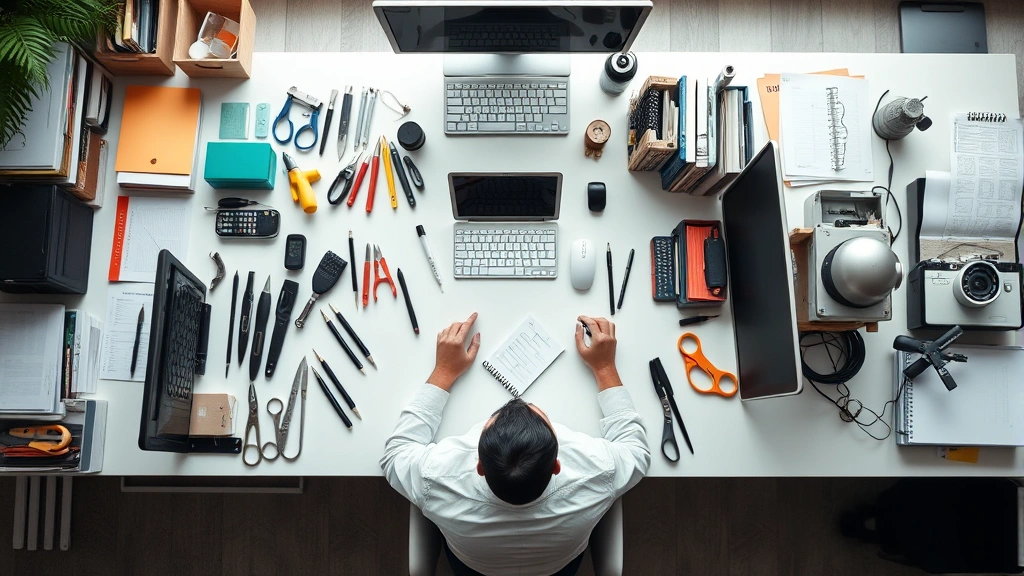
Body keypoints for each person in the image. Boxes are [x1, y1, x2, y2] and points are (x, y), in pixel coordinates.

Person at [381, 312, 650, 576]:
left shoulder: (437, 477)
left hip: (473, 568)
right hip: (559, 568)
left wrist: (443, 371)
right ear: (557, 465)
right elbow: (636, 450)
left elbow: (396, 455)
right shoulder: (597, 471)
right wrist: (605, 368)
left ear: (479, 467)